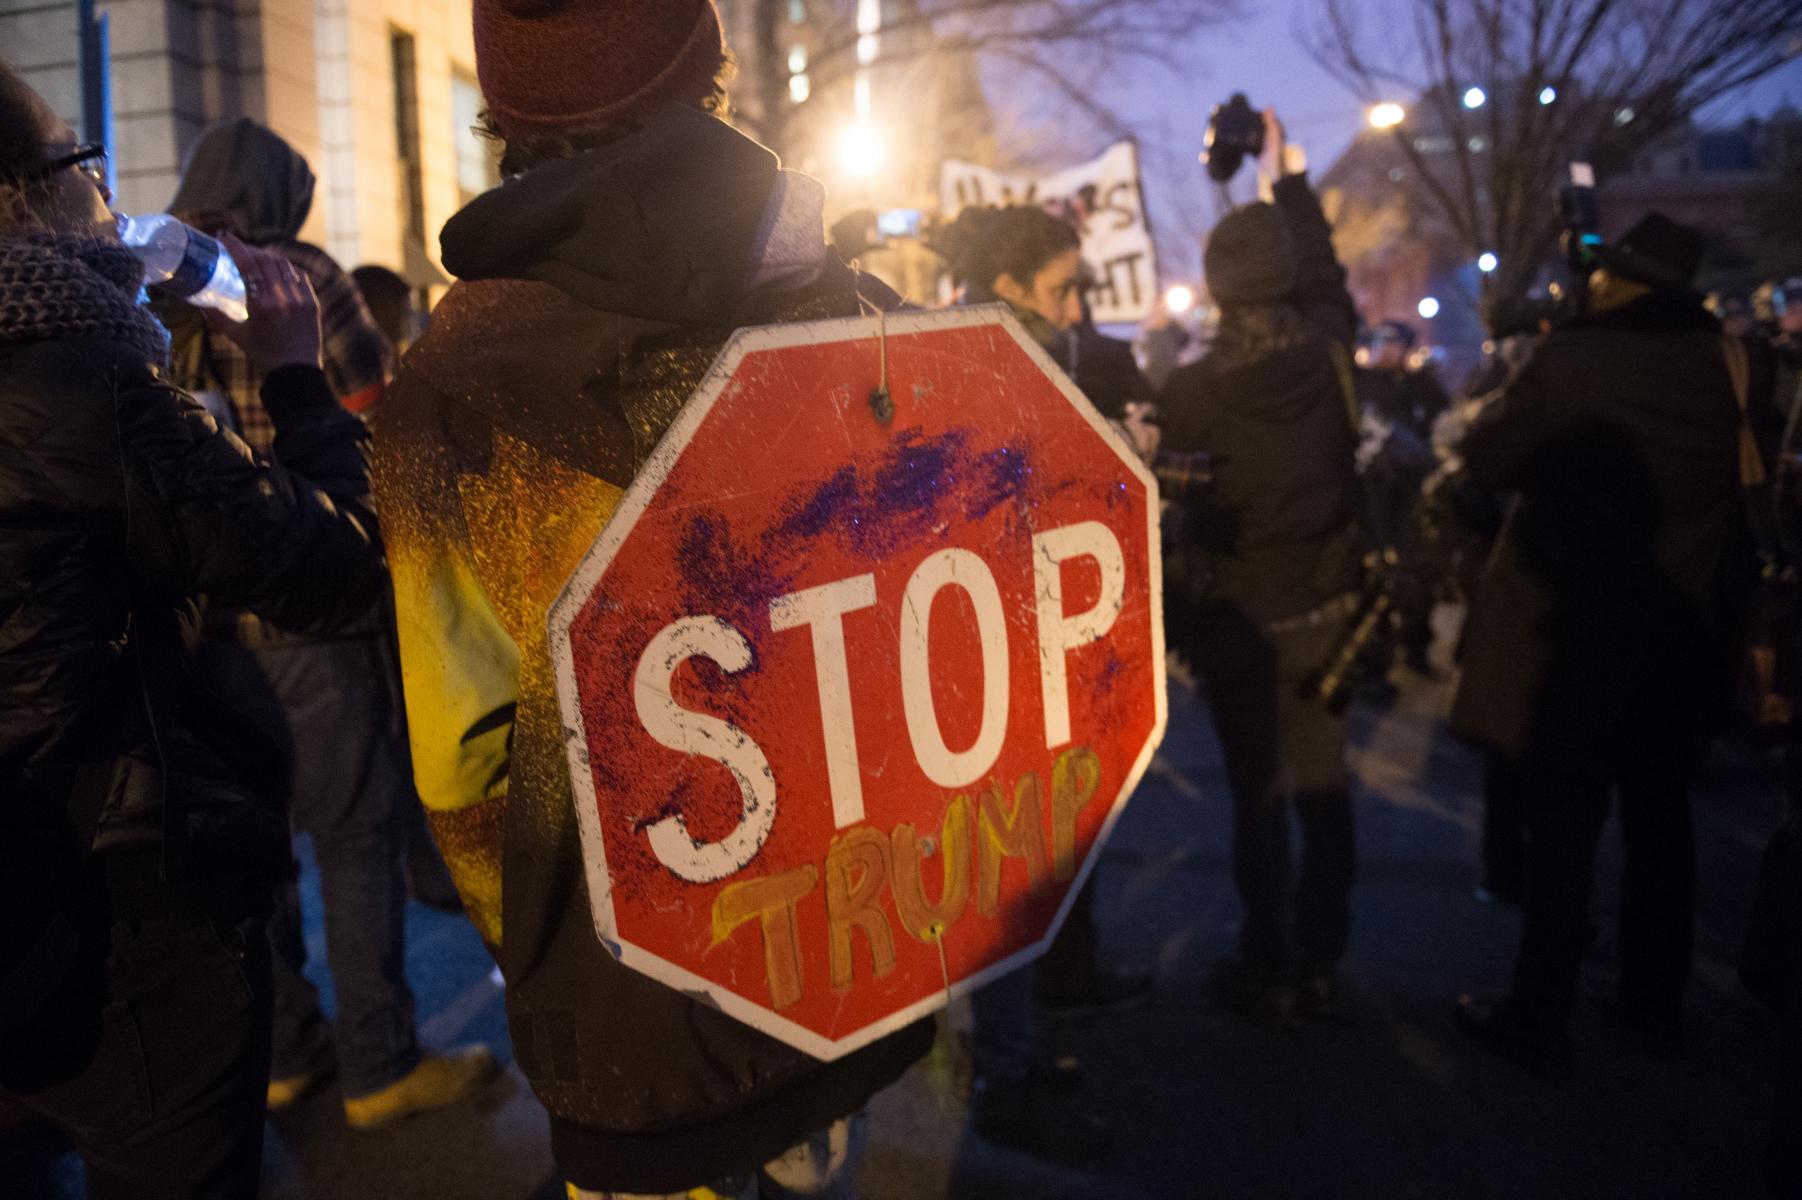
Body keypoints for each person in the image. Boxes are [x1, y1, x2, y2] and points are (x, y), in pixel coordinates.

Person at [370, 3, 931, 1196]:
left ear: (504, 113)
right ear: (706, 73)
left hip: (638, 1032)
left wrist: (559, 959)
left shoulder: (454, 386)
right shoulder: (860, 318)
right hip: (868, 949)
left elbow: (462, 769)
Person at [0, 61, 387, 1198]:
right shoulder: (75, 378)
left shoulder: (107, 337)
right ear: (22, 195)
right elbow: (346, 570)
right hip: (116, 913)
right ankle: (372, 1052)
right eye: (81, 160)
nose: (106, 191)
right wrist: (299, 386)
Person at [156, 117, 491, 1130]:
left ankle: (287, 1050)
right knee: (354, 840)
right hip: (312, 606)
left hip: (207, 627)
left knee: (255, 845)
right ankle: (381, 1063)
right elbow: (378, 425)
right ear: (279, 193)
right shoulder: (300, 276)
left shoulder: (159, 291)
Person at [1451, 213, 1783, 1071]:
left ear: (1611, 281)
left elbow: (1486, 460)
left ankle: (1540, 1010)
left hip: (1575, 633)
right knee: (1661, 825)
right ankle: (1652, 1000)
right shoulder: (1737, 363)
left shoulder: (1572, 361)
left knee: (1564, 833)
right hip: (1683, 633)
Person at [931, 203, 1153, 1166]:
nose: (1077, 306)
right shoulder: (998, 367)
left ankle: (1006, 1060)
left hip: (1006, 663)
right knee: (1007, 878)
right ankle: (1004, 1079)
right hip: (998, 671)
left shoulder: (989, 358)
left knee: (1016, 873)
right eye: (1064, 287)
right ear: (1014, 285)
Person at [1158, 108, 1362, 1025]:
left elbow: (1183, 511)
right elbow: (1325, 273)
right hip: (1329, 613)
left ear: (1214, 286)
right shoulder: (1330, 353)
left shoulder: (1190, 391)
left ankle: (1268, 961)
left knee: (1260, 800)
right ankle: (1321, 959)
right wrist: (1289, 176)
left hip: (1239, 623)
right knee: (1324, 791)